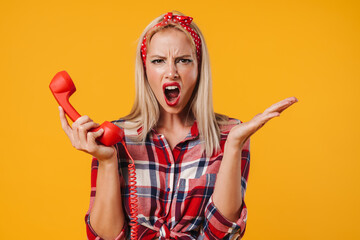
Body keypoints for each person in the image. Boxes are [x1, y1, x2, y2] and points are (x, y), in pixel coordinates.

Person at [58, 11, 298, 240]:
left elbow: (222, 234)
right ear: (145, 70)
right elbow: (106, 237)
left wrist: (234, 145)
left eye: (183, 60)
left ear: (198, 68)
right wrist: (107, 161)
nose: (171, 72)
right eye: (158, 61)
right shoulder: (116, 137)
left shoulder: (231, 134)